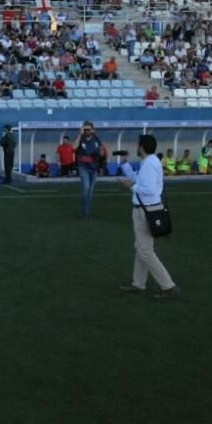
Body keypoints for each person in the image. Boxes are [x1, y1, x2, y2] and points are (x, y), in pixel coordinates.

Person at [119, 135, 179, 300]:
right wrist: (125, 165)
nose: (136, 148)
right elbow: (141, 181)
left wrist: (131, 186)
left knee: (145, 250)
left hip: (146, 211)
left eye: (138, 145)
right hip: (148, 209)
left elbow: (149, 189)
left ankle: (168, 286)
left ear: (142, 147)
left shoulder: (150, 164)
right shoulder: (149, 162)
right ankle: (138, 283)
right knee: (141, 248)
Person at [74, 121, 105, 219]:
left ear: (92, 130)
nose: (86, 131)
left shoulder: (96, 139)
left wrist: (100, 154)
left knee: (90, 192)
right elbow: (74, 147)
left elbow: (101, 151)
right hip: (83, 166)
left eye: (88, 129)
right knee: (86, 188)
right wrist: (79, 134)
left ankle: (86, 211)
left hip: (94, 167)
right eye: (85, 129)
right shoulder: (81, 138)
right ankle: (85, 213)